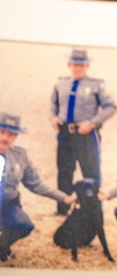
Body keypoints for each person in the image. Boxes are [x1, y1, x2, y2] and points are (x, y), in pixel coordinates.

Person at [0, 112, 76, 261]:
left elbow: (36, 184)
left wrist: (64, 197)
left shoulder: (20, 156)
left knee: (24, 225)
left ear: (16, 137)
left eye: (11, 134)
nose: (5, 138)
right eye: (1, 132)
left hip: (7, 204)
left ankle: (2, 246)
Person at [50, 49, 117, 214]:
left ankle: (94, 210)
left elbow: (111, 107)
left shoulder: (96, 85)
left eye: (81, 65)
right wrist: (52, 118)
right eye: (75, 64)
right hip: (65, 133)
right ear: (69, 65)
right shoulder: (61, 83)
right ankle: (62, 209)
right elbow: (54, 105)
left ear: (87, 66)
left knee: (91, 172)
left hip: (86, 134)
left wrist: (93, 123)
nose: (78, 68)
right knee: (64, 171)